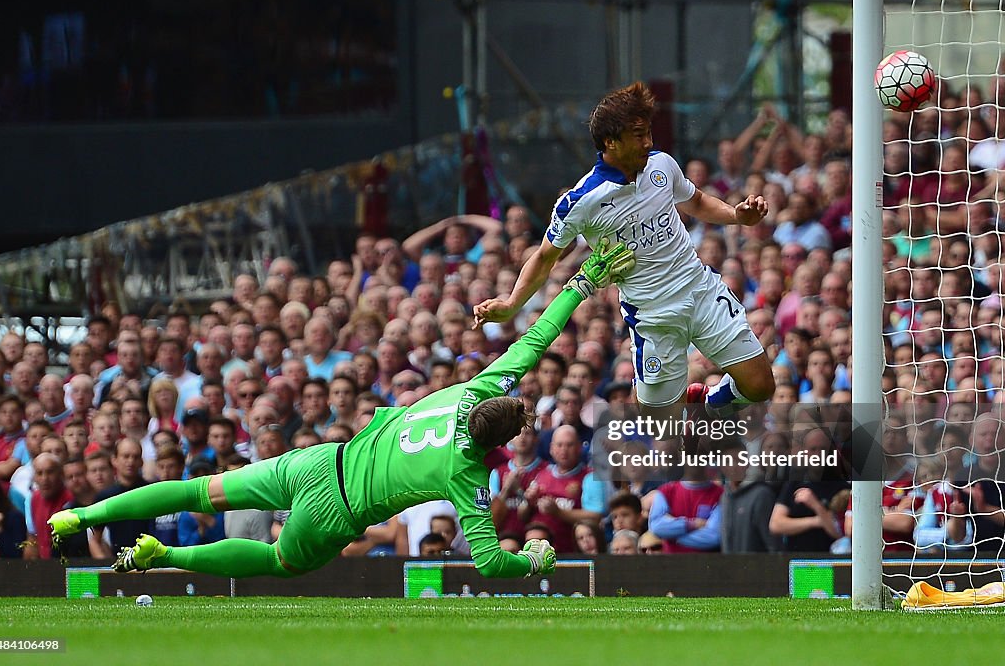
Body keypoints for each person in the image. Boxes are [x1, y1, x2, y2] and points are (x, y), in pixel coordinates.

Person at [48, 242, 634, 579]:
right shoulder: (469, 472)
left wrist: (582, 282)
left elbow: (533, 343)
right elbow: (486, 561)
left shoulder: (471, 390)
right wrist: (533, 559)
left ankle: (82, 515)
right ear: (499, 445)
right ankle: (165, 554)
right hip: (336, 511)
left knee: (198, 492)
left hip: (318, 461)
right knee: (280, 561)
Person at [473, 81, 774, 427]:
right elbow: (544, 257)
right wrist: (511, 303)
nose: (648, 142)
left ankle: (707, 404)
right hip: (652, 315)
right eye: (638, 135)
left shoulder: (662, 165)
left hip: (700, 290)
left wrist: (737, 216)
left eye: (648, 133)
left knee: (761, 385)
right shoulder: (581, 201)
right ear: (610, 142)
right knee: (659, 422)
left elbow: (697, 202)